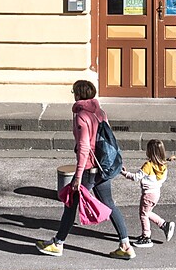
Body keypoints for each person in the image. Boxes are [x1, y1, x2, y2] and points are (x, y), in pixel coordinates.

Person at [38, 79, 132, 259]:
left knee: (70, 204)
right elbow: (110, 138)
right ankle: (126, 245)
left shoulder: (82, 116)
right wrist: (117, 161)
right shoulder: (100, 112)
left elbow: (84, 147)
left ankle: (58, 244)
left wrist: (78, 176)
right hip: (103, 166)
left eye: (74, 92)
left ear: (78, 94)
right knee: (109, 203)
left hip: (89, 169)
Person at [123, 138, 176, 248]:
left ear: (150, 152)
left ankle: (146, 237)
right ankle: (164, 225)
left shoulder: (148, 165)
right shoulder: (163, 165)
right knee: (147, 213)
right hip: (156, 193)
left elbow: (135, 177)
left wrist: (123, 172)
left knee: (143, 215)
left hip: (147, 194)